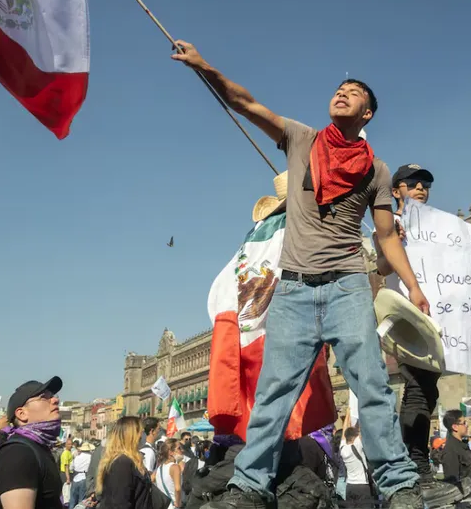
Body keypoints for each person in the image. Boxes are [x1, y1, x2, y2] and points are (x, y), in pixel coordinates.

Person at [173, 42, 429, 509]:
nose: (342, 93)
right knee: (274, 394)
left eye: (354, 92)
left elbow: (386, 235)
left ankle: (398, 485)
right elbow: (246, 104)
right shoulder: (302, 139)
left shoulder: (376, 170)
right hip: (293, 289)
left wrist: (412, 285)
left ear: (367, 113)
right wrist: (203, 65)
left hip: (348, 285)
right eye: (339, 88)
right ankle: (250, 486)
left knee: (371, 386)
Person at [373, 163, 464, 506]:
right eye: (412, 183)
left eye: (425, 183)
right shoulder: (390, 224)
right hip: (407, 320)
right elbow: (381, 266)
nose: (420, 188)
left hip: (432, 320)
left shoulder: (437, 228)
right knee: (416, 390)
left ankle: (414, 466)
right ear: (397, 190)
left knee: (427, 392)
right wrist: (396, 241)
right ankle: (415, 469)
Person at [0, 376, 65, 509]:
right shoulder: (18, 453)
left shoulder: (36, 448)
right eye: (44, 397)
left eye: (52, 396)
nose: (55, 400)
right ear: (22, 414)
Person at [97, 417, 151, 509]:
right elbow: (120, 502)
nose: (144, 435)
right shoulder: (122, 463)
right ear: (132, 436)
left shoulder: (129, 460)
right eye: (141, 432)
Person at [340, 426, 372, 508]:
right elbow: (363, 430)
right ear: (355, 437)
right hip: (362, 486)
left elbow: (343, 435)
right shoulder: (357, 446)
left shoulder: (342, 449)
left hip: (349, 486)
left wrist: (347, 418)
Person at [441, 410, 471, 488]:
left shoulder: (461, 445)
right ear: (455, 427)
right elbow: (452, 483)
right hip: (466, 493)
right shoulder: (451, 450)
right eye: (464, 423)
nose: (467, 425)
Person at [154, 439, 186, 509]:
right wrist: (178, 503)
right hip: (173, 505)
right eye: (179, 448)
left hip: (164, 505)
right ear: (171, 452)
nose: (182, 450)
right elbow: (177, 488)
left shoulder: (160, 467)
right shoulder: (175, 467)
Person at [70, 443, 93, 509]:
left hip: (75, 478)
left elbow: (71, 468)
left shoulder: (77, 457)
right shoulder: (91, 457)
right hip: (84, 478)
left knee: (72, 500)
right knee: (81, 501)